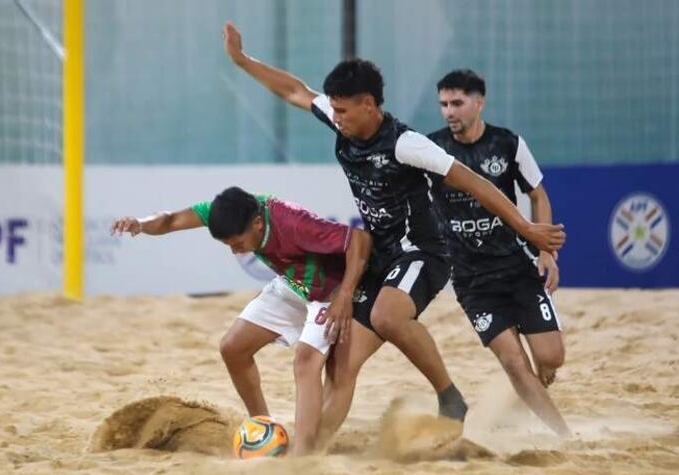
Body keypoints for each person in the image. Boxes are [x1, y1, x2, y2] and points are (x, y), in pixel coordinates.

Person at [222, 22, 566, 442]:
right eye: (336, 110)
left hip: (424, 253)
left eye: (344, 110)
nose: (337, 117)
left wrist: (528, 228)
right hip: (383, 256)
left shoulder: (407, 144)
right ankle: (310, 451)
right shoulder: (341, 116)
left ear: (368, 105)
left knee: (387, 315)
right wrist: (243, 61)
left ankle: (449, 394)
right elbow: (295, 91)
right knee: (341, 361)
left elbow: (475, 182)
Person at [110, 187, 372, 454]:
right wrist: (140, 224)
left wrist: (346, 295)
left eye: (237, 243)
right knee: (233, 347)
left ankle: (302, 455)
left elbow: (358, 240)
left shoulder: (291, 221)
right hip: (293, 286)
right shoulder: (226, 211)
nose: (235, 252)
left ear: (258, 223)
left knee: (306, 361)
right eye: (228, 245)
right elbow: (170, 220)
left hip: (330, 293)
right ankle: (264, 427)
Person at [427, 69, 570, 436]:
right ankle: (562, 436)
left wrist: (546, 253)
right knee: (513, 362)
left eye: (457, 103)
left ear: (479, 102)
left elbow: (537, 194)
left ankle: (531, 390)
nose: (449, 112)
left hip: (517, 267)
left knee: (551, 358)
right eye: (443, 104)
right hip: (472, 280)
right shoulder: (431, 149)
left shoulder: (507, 144)